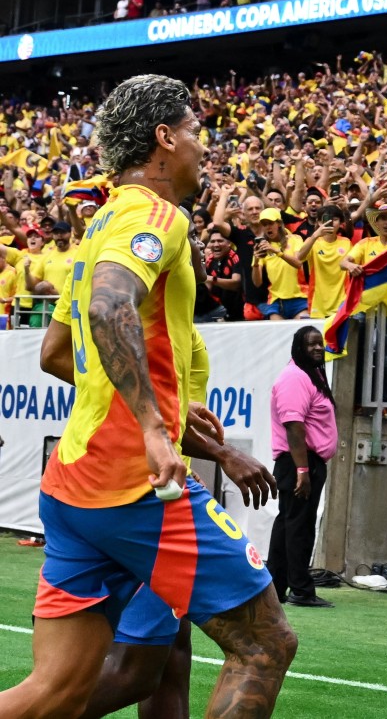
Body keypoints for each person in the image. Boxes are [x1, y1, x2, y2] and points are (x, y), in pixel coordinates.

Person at [0, 74, 297, 718]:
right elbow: (111, 308)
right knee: (266, 644)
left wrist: (151, 402)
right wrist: (154, 425)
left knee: (57, 692)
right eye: (195, 131)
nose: (203, 147)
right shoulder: (156, 215)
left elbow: (55, 352)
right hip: (133, 483)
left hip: (73, 486)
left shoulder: (98, 225)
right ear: (164, 138)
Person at [40, 235, 277, 719]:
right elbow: (158, 426)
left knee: (168, 662)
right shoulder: (150, 322)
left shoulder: (170, 327)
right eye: (191, 260)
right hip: (149, 498)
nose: (202, 267)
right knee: (253, 646)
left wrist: (170, 414)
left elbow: (54, 355)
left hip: (92, 488)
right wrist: (224, 454)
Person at [268, 326, 338, 608]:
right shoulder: (295, 378)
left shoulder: (312, 374)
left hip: (306, 462)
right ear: (299, 347)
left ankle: (276, 587)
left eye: (320, 344)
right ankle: (301, 589)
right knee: (298, 527)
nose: (318, 348)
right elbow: (294, 428)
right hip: (299, 463)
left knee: (290, 524)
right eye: (311, 345)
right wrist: (302, 471)